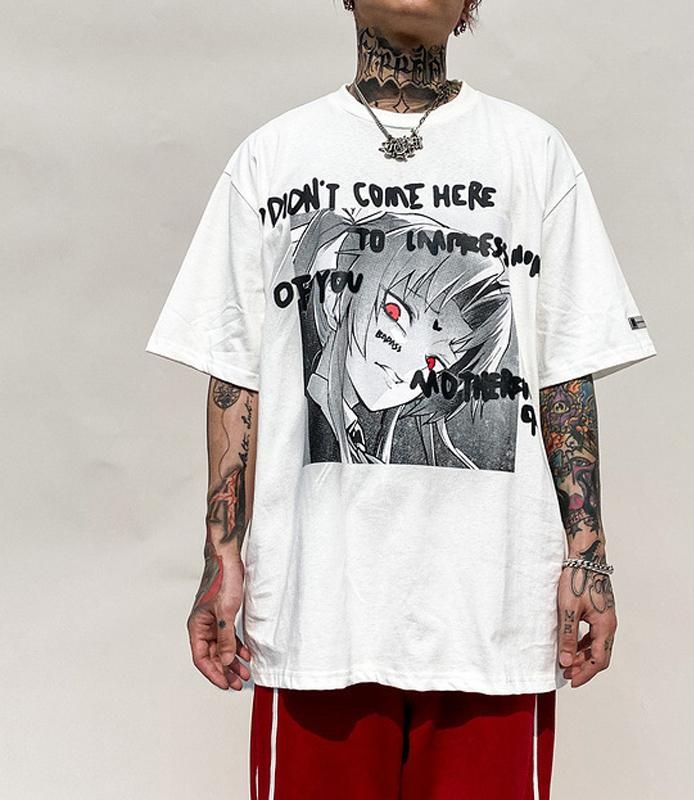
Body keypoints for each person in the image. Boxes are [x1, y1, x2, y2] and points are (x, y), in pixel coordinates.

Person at [144, 1, 658, 797]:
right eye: (391, 311)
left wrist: (587, 553)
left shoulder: (534, 155)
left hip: (491, 619)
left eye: (440, 351)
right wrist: (221, 556)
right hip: (316, 617)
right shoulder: (272, 158)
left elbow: (565, 372)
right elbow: (234, 374)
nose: (408, 358)